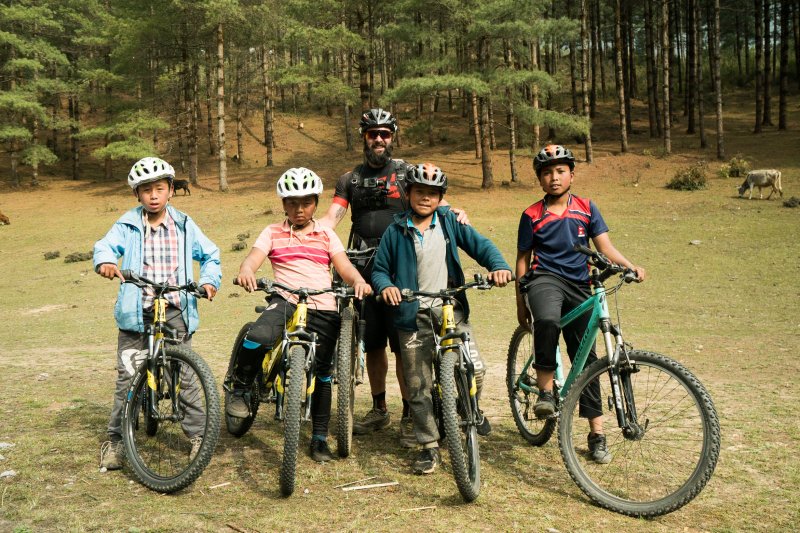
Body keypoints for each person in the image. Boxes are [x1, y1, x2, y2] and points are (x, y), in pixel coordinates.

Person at [319, 108, 469, 446]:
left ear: (393, 136)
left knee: (404, 340)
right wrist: (312, 234)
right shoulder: (350, 179)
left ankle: (409, 414)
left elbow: (428, 197)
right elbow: (334, 215)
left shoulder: (404, 173)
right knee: (372, 342)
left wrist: (455, 211)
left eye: (385, 133)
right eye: (373, 133)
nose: (379, 139)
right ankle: (379, 407)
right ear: (364, 137)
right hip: (361, 266)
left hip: (402, 263)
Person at [372, 163, 513, 475]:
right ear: (408, 194)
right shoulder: (395, 231)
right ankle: (428, 446)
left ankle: (466, 406)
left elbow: (482, 246)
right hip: (412, 313)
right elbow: (379, 269)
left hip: (451, 308)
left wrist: (498, 265)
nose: (426, 198)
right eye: (419, 191)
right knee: (418, 382)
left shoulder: (449, 221)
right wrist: (387, 286)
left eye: (433, 193)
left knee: (474, 369)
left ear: (441, 198)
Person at [225, 167, 372, 462]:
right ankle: (241, 387)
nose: (299, 209)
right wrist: (246, 270)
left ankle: (319, 438)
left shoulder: (327, 234)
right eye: (292, 203)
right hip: (285, 299)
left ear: (316, 203)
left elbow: (343, 265)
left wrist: (357, 280)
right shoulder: (272, 232)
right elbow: (254, 257)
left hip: (322, 305)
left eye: (306, 202)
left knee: (323, 373)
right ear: (283, 204)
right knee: (257, 336)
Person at [514, 144, 646, 464]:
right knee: (547, 321)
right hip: (544, 280)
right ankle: (546, 393)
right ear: (540, 179)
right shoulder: (531, 214)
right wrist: (520, 301)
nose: (554, 177)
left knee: (587, 358)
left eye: (560, 171)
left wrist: (630, 266)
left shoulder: (587, 208)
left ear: (572, 174)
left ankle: (597, 433)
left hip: (580, 285)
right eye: (547, 173)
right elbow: (522, 260)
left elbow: (605, 246)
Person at [93, 156, 221, 471]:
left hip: (175, 307)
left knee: (188, 376)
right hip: (138, 312)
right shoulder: (127, 224)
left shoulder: (185, 225)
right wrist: (107, 262)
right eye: (146, 189)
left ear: (170, 192)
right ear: (137, 194)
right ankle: (118, 442)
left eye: (159, 189)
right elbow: (105, 246)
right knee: (127, 379)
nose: (153, 195)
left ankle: (197, 439)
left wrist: (207, 281)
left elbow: (211, 254)